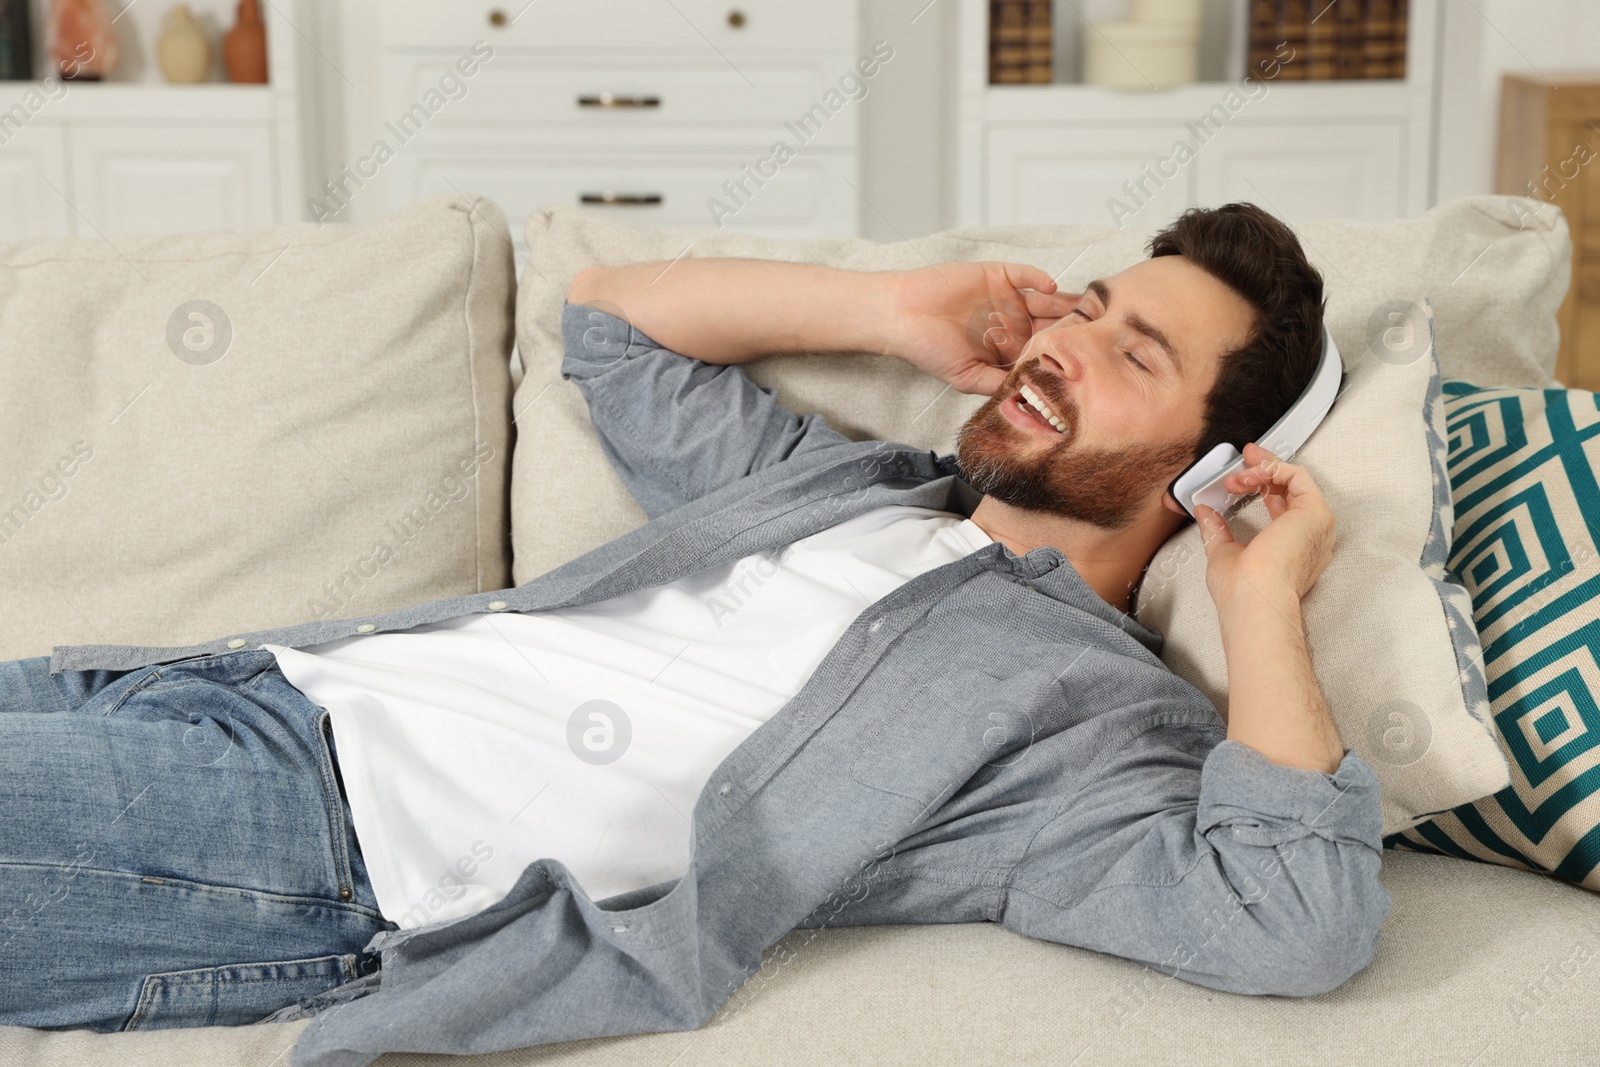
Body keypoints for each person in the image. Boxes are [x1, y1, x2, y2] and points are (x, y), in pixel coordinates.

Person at [1, 202, 1387, 1067]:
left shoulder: (1087, 722)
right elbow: (609, 328)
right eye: (1089, 310)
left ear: (1220, 466)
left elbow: (1295, 921)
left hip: (316, 850)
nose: (1065, 346)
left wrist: (1261, 594)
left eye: (1133, 355)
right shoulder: (851, 487)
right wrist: (896, 313)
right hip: (226, 692)